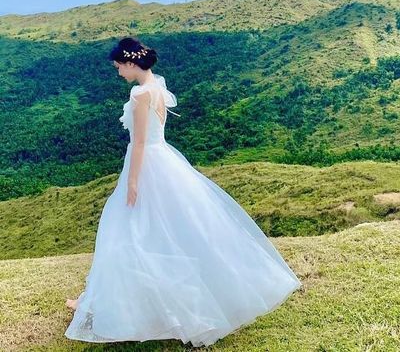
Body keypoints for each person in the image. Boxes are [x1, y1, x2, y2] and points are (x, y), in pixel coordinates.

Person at [64, 36, 302, 346]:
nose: (118, 72)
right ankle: (100, 301)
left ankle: (110, 305)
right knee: (164, 232)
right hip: (164, 161)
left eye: (119, 66)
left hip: (147, 165)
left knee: (128, 231)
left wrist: (132, 181)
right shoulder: (158, 87)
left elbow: (139, 142)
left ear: (131, 63)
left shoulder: (140, 94)